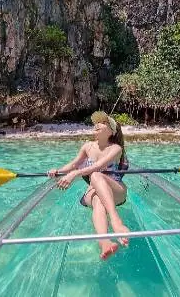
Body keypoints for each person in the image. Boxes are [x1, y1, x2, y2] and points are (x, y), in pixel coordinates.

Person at [47, 111, 130, 260]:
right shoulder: (88, 147)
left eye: (103, 123)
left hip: (116, 189)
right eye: (96, 122)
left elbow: (98, 166)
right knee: (98, 201)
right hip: (94, 190)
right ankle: (104, 242)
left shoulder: (116, 149)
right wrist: (58, 171)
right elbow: (74, 164)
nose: (97, 124)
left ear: (111, 131)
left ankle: (115, 220)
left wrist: (74, 174)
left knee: (96, 174)